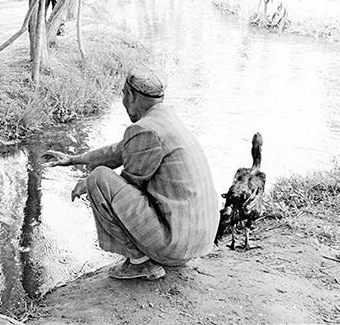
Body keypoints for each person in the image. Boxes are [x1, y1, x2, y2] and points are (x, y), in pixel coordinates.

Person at [42, 65, 219, 280]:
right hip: (197, 241)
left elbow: (127, 185)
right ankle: (148, 257)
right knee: (99, 179)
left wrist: (89, 181)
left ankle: (141, 263)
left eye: (124, 95)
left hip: (175, 247)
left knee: (99, 179)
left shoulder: (146, 130)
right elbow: (121, 149)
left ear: (132, 96)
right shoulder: (163, 119)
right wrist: (73, 160)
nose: (124, 102)